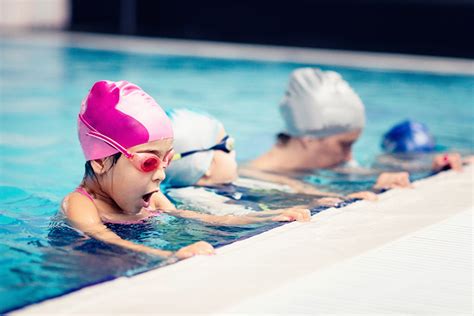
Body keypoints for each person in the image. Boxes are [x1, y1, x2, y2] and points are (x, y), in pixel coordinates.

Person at [61, 80, 310, 260]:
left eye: (167, 159)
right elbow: (106, 238)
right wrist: (168, 255)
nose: (161, 174)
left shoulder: (153, 199)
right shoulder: (82, 205)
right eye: (148, 162)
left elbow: (206, 219)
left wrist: (270, 216)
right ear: (101, 162)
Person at [162, 109, 370, 216]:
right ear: (205, 167)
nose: (234, 152)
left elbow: (282, 193)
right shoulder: (191, 196)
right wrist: (278, 214)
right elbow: (234, 217)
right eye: (228, 145)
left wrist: (332, 198)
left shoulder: (228, 184)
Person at [240, 67, 410, 194]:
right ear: (309, 138)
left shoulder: (317, 165)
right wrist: (375, 190)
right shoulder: (253, 178)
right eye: (344, 145)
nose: (349, 157)